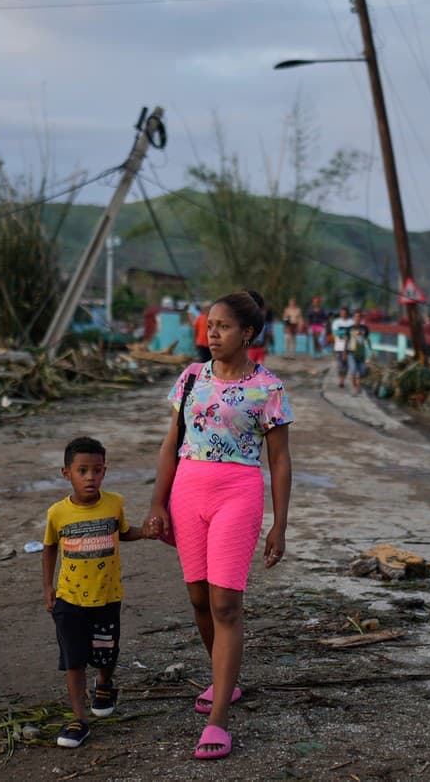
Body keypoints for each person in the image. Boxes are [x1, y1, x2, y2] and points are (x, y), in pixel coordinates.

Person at [143, 290, 293, 760]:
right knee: (198, 598)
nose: (213, 334)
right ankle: (223, 679)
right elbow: (171, 444)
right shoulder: (189, 379)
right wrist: (157, 504)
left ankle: (219, 719)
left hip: (237, 494)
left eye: (223, 326)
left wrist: (280, 525)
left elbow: (281, 461)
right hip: (188, 493)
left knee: (226, 604)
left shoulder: (268, 387)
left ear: (247, 333)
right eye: (210, 326)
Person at [42, 436, 148, 749]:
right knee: (73, 659)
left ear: (105, 471)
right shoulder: (57, 513)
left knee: (106, 652)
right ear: (67, 473)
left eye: (97, 470)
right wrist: (47, 587)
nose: (90, 477)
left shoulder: (114, 503)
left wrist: (149, 532)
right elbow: (48, 549)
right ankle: (78, 718)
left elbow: (125, 533)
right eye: (83, 470)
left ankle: (104, 683)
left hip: (107, 597)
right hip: (69, 600)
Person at [347, 310, 374, 395]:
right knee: (353, 370)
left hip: (361, 353)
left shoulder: (364, 328)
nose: (357, 318)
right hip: (351, 352)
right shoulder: (349, 328)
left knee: (362, 371)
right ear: (353, 318)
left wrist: (371, 351)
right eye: (355, 316)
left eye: (359, 316)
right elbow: (346, 340)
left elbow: (367, 340)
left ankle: (358, 386)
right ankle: (355, 387)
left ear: (361, 318)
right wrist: (344, 352)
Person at [329, 305, 354, 388]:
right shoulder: (336, 322)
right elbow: (335, 333)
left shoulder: (351, 322)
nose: (343, 314)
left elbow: (353, 333)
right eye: (342, 313)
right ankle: (341, 379)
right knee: (340, 365)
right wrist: (346, 332)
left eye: (345, 313)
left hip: (349, 347)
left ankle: (342, 380)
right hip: (339, 346)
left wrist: (343, 332)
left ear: (347, 314)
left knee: (346, 365)